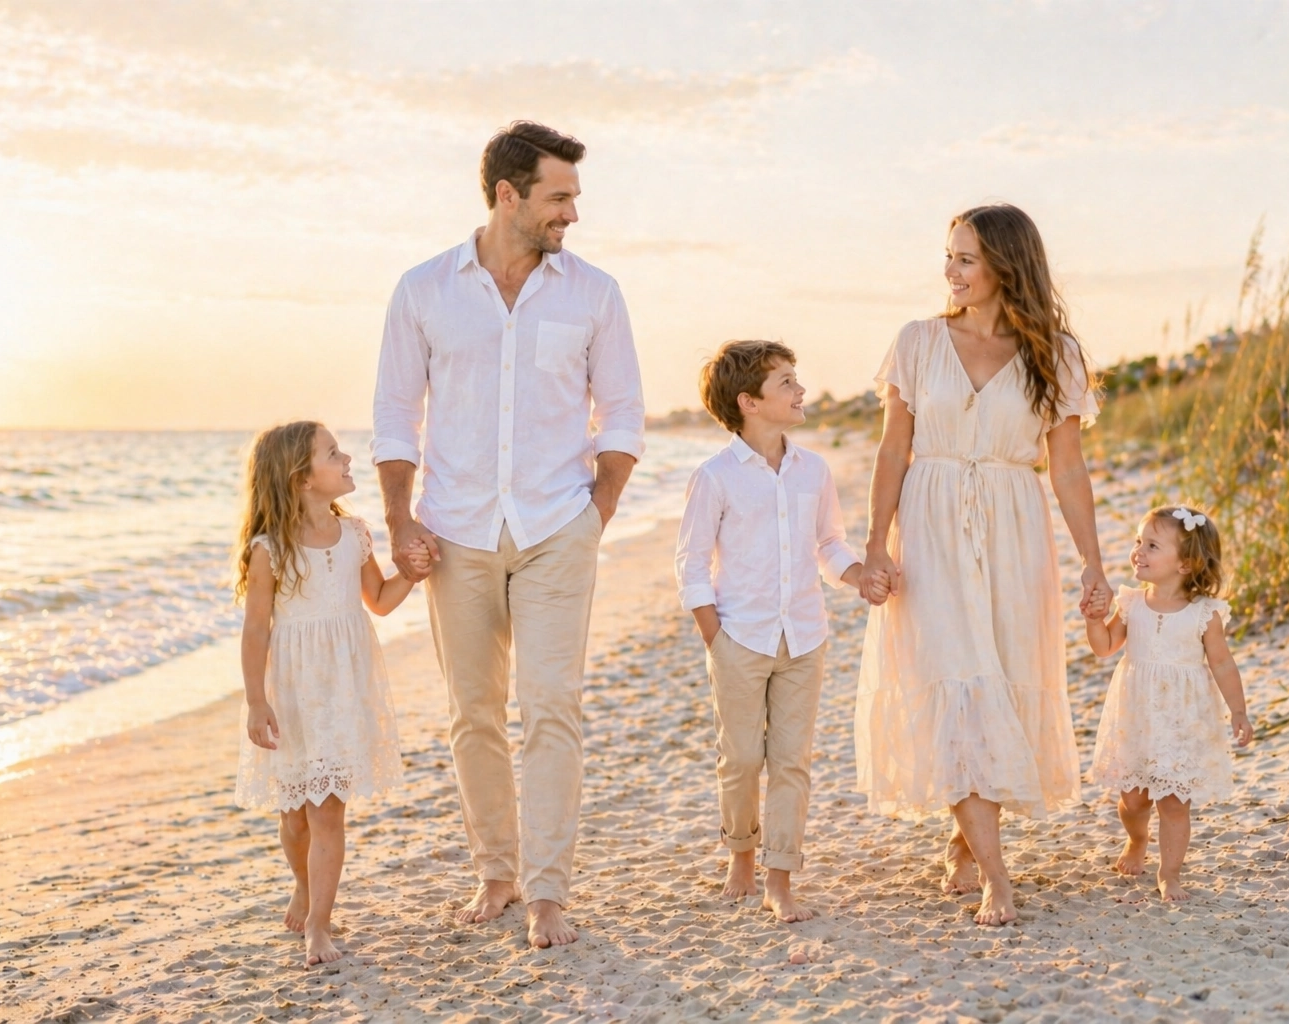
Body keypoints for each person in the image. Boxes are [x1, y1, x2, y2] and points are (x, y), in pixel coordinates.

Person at [371, 121, 645, 948]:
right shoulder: (423, 290)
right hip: (455, 531)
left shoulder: (593, 291)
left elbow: (623, 410)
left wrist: (598, 510)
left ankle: (548, 890)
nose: (572, 214)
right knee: (474, 712)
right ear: (507, 194)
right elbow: (394, 411)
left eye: (573, 197)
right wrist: (398, 517)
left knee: (553, 707)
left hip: (559, 523)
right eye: (559, 196)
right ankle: (497, 870)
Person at [855, 204, 1111, 926]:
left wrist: (1093, 563)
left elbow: (1066, 468)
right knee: (955, 678)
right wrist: (876, 543)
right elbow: (891, 451)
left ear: (1006, 264)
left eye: (965, 258)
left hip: (1012, 528)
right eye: (949, 256)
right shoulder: (917, 341)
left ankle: (967, 837)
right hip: (930, 526)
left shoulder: (1055, 353)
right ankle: (997, 874)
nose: (951, 271)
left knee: (992, 677)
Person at [675, 341, 869, 923]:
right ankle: (741, 855)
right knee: (738, 759)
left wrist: (858, 575)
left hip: (804, 638)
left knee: (792, 761)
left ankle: (779, 877)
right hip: (740, 637)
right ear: (749, 402)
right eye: (786, 382)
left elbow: (828, 543)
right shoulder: (714, 477)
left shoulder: (815, 469)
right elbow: (690, 565)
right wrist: (717, 637)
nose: (800, 390)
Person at [234, 421, 424, 966]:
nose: (347, 459)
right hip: (293, 694)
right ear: (301, 478)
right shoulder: (270, 549)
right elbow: (256, 630)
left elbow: (380, 601)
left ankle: (321, 923)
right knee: (294, 815)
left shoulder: (356, 535)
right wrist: (255, 700)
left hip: (342, 691)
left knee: (327, 813)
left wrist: (411, 573)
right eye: (333, 453)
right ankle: (303, 884)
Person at [1083, 505, 1253, 902]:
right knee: (1133, 800)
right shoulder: (1132, 604)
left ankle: (1169, 872)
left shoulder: (1204, 615)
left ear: (1186, 563)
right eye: (1139, 541)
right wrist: (1094, 619)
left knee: (1175, 804)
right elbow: (1105, 647)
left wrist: (1239, 710)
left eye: (1153, 545)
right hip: (1138, 717)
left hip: (1181, 721)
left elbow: (1223, 664)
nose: (1138, 551)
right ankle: (1137, 839)